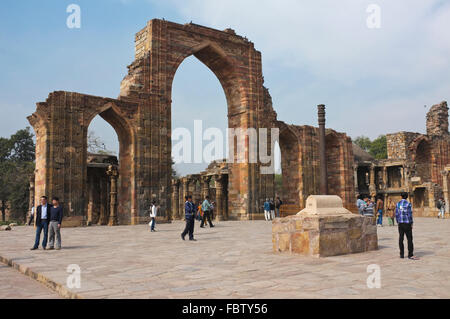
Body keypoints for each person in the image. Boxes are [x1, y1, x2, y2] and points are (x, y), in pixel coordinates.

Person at [395, 193, 419, 260]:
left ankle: (401, 254)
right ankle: (410, 254)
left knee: (401, 238)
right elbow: (409, 214)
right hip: (407, 223)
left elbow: (396, 214)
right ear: (407, 197)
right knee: (409, 239)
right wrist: (411, 223)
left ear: (401, 196)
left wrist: (398, 221)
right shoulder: (408, 204)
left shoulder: (398, 204)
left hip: (400, 223)